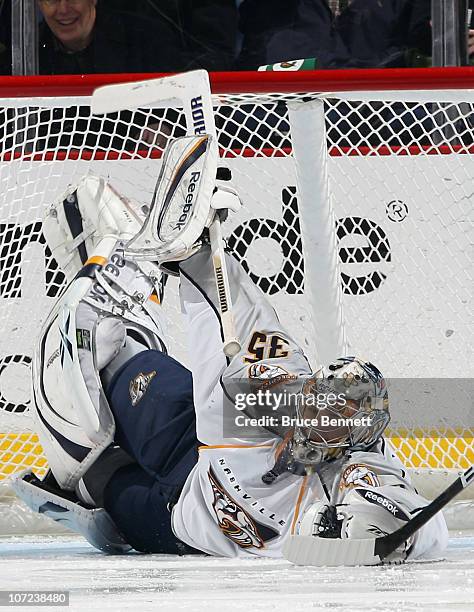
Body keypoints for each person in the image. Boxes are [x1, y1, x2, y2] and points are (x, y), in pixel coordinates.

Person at [14, 135, 448, 562]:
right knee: (132, 370)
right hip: (191, 446)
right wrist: (197, 256)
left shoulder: (344, 504)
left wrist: (384, 536)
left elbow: (415, 534)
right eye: (322, 405)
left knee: (103, 486)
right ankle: (105, 322)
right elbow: (240, 331)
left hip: (182, 524)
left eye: (336, 422)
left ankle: (86, 480)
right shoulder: (272, 407)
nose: (320, 421)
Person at [37, 0, 183, 75]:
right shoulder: (29, 52)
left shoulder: (146, 37)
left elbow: (182, 102)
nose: (63, 9)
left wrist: (163, 126)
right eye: (52, 0)